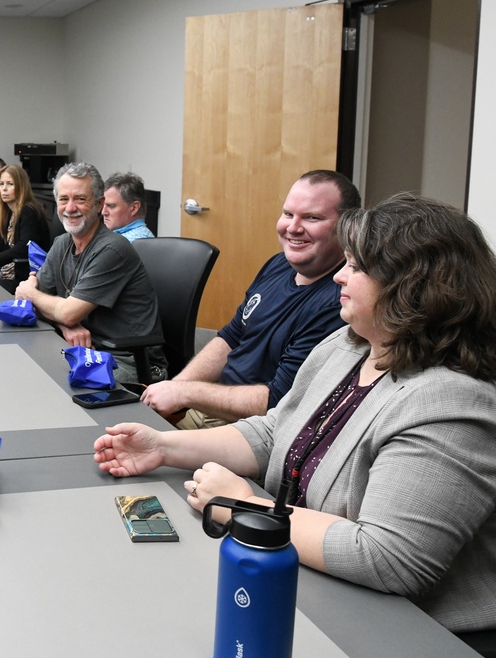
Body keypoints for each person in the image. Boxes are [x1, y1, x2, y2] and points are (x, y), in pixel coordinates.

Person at [94, 192, 496, 633]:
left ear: (413, 287)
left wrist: (245, 506)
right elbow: (274, 434)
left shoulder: (450, 403)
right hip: (314, 583)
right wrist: (165, 446)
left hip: (409, 630)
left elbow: (389, 558)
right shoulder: (347, 345)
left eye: (356, 267)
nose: (340, 276)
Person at [142, 170, 360, 429]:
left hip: (251, 429)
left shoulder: (338, 300)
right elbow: (231, 337)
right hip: (209, 404)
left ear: (347, 227)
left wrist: (185, 394)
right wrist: (176, 388)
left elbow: (279, 401)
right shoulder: (279, 264)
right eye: (288, 214)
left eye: (312, 217)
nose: (293, 228)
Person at [14, 162, 164, 383]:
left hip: (128, 362)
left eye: (80, 199)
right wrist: (66, 325)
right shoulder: (62, 243)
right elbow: (31, 306)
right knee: (23, 363)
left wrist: (31, 293)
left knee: (40, 378)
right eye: (64, 199)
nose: (70, 207)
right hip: (83, 351)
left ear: (99, 204)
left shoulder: (113, 249)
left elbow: (52, 305)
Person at [0, 164, 51, 292]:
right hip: (9, 272)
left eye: (10, 184)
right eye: (1, 184)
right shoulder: (11, 211)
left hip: (25, 277)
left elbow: (25, 246)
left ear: (21, 187)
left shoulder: (29, 211)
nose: (4, 189)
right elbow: (3, 237)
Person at [101, 172, 153, 241]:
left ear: (134, 208)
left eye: (111, 206)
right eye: (102, 205)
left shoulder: (133, 241)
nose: (103, 212)